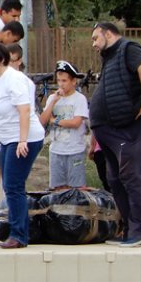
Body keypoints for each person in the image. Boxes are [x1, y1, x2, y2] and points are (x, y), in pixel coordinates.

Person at [89, 22, 141, 246]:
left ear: (108, 34)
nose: (94, 44)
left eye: (96, 38)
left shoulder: (128, 48)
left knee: (131, 176)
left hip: (128, 128)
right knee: (115, 178)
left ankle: (140, 229)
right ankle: (128, 228)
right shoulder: (111, 58)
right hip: (108, 131)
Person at [0, 42, 45, 249]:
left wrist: (22, 140)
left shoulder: (15, 79)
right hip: (6, 137)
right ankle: (19, 231)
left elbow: (24, 111)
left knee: (13, 185)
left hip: (26, 137)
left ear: (1, 59)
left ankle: (18, 235)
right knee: (11, 185)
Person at [39, 60, 89, 189]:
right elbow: (43, 120)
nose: (61, 84)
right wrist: (52, 102)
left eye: (64, 81)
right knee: (58, 187)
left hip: (74, 149)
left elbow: (76, 122)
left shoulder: (79, 99)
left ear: (73, 81)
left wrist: (54, 120)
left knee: (77, 187)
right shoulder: (52, 98)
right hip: (56, 149)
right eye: (59, 80)